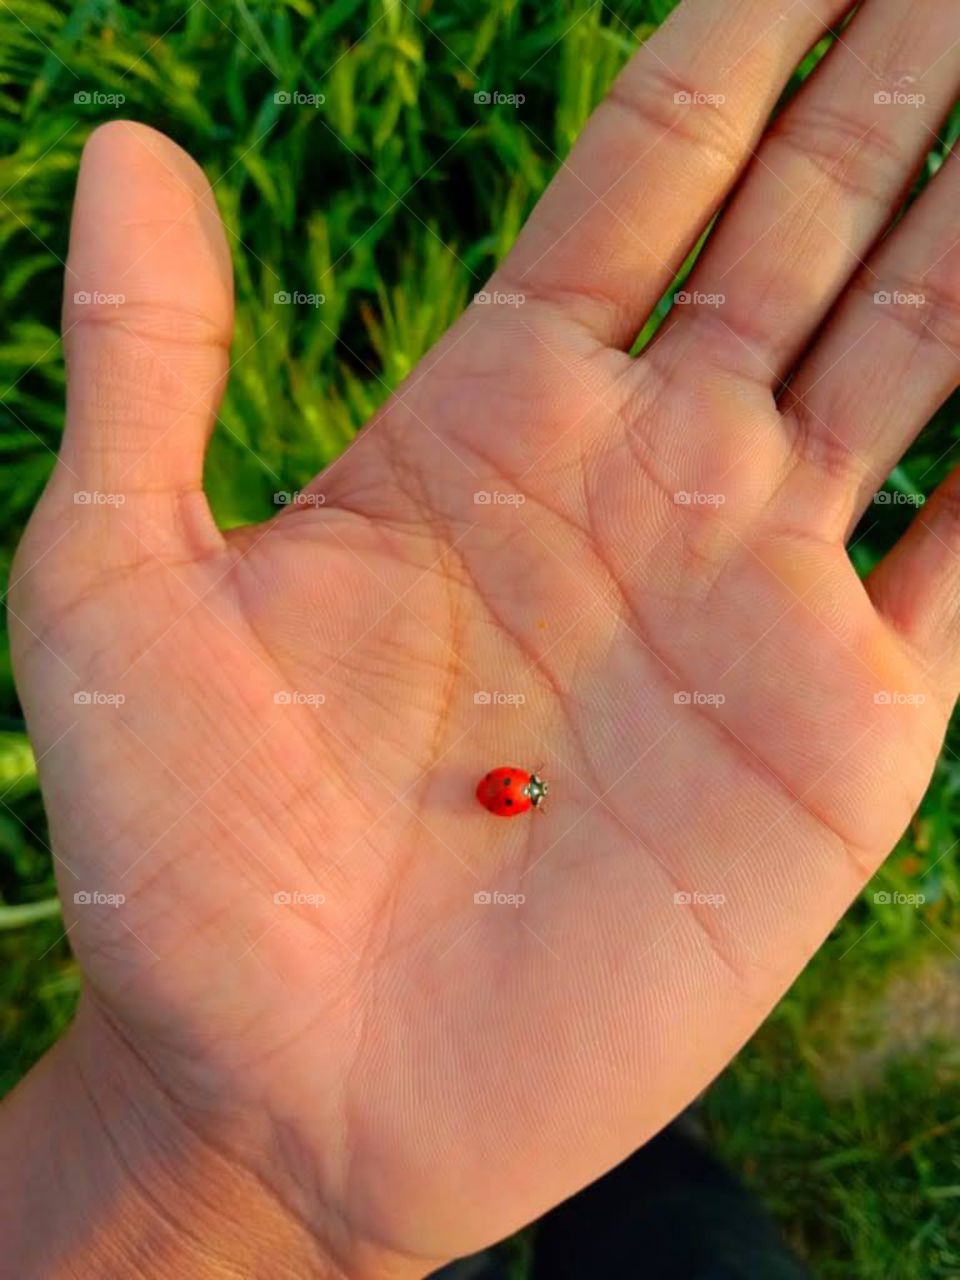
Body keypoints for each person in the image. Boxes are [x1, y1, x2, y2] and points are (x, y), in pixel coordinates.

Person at [3, 0, 959, 1275]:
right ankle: (637, 1169)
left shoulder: (519, 780)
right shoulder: (518, 783)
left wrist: (194, 1158)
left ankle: (620, 1171)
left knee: (670, 1228)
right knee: (691, 1244)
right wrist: (213, 1164)